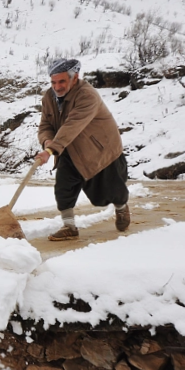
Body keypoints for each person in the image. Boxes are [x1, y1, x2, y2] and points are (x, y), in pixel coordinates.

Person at [35, 58, 130, 241]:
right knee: (63, 188)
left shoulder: (87, 95)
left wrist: (51, 150)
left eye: (62, 81)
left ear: (74, 77)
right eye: (53, 82)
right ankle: (69, 226)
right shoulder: (49, 97)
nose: (57, 86)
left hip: (99, 150)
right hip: (68, 149)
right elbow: (46, 124)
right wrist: (47, 141)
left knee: (110, 192)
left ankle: (121, 206)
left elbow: (73, 125)